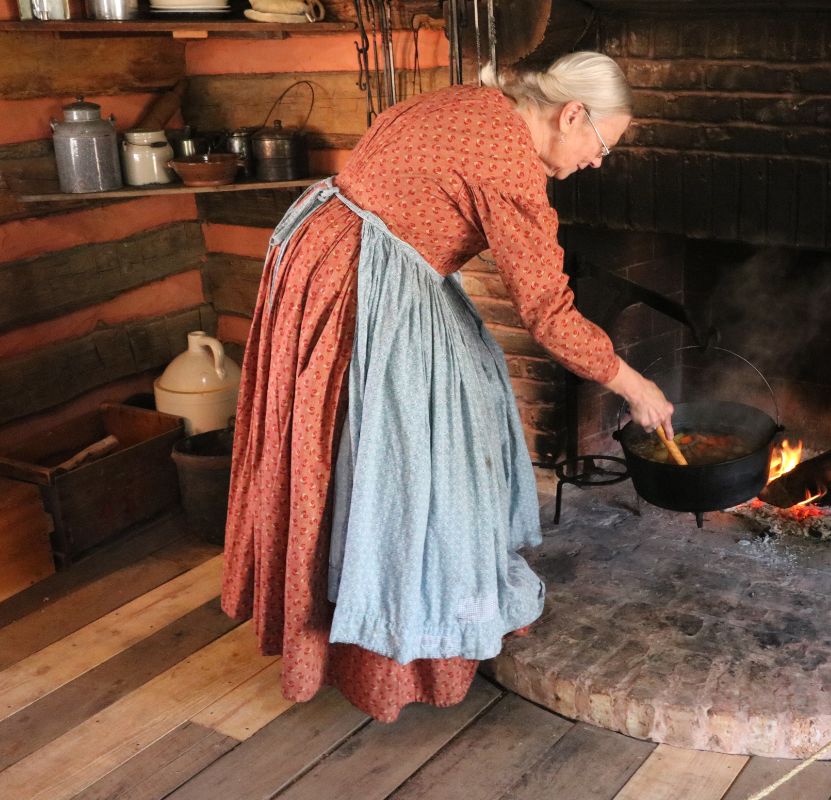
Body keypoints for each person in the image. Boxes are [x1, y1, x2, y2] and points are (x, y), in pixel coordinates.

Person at [220, 51, 675, 722]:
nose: (599, 160)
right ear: (571, 114)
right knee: (409, 463)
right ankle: (396, 652)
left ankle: (368, 616)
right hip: (365, 286)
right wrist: (634, 384)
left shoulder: (477, 104)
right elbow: (547, 312)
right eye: (603, 144)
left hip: (325, 251)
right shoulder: (507, 163)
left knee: (449, 412)